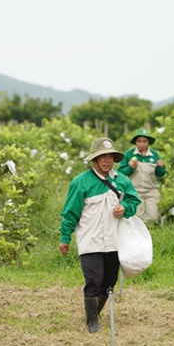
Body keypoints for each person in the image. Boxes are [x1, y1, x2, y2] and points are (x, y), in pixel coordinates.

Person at [59, 137, 141, 333]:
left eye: (110, 156)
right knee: (93, 279)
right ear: (94, 159)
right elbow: (71, 211)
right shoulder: (80, 182)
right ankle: (92, 320)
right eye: (102, 156)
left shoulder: (121, 180)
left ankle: (96, 312)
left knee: (109, 282)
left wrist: (125, 207)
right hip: (90, 240)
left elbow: (133, 201)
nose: (107, 160)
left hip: (114, 240)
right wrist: (65, 237)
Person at [118, 128, 166, 223]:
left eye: (144, 141)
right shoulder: (128, 154)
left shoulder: (154, 155)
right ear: (135, 142)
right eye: (139, 141)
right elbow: (121, 172)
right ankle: (139, 236)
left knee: (153, 217)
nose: (142, 144)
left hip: (151, 191)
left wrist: (161, 167)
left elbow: (160, 174)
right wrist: (130, 167)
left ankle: (151, 234)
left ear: (148, 142)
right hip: (135, 190)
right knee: (137, 218)